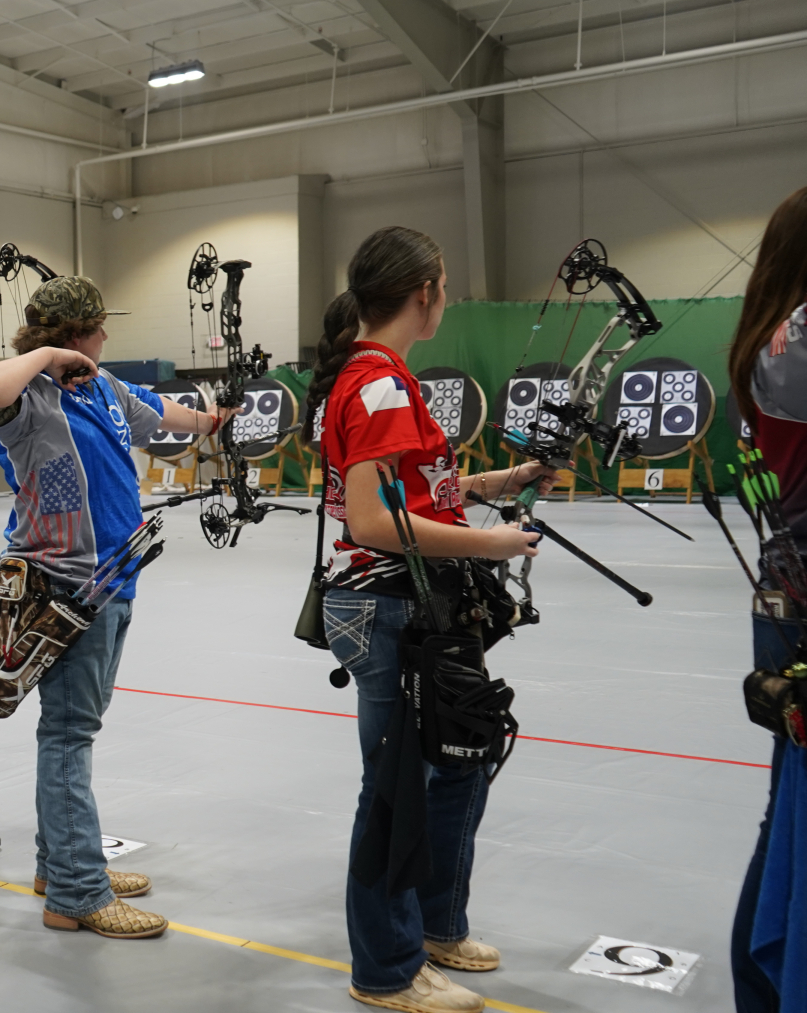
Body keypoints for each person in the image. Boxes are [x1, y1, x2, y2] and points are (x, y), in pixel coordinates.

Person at [307, 227, 554, 1013]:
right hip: (388, 606)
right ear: (425, 292)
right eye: (445, 285)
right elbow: (373, 522)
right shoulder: (377, 382)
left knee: (461, 760)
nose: (446, 296)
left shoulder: (379, 376)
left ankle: (438, 925)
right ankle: (385, 967)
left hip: (417, 604)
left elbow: (417, 491)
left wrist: (505, 480)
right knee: (395, 788)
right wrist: (493, 542)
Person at [0, 275, 229, 940]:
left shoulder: (103, 386)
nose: (107, 336)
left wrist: (210, 422)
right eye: (98, 327)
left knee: (74, 727)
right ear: (73, 335)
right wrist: (48, 358)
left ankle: (57, 866)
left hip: (114, 578)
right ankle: (78, 892)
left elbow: (157, 412)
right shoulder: (26, 395)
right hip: (64, 584)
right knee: (68, 733)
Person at [727, 185, 807, 1013]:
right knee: (793, 809)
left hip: (785, 595)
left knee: (790, 807)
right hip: (799, 602)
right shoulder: (795, 344)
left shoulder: (773, 336)